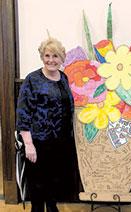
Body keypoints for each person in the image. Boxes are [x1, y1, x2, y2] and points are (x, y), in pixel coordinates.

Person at [16, 37, 75, 212]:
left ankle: (52, 207)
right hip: (39, 142)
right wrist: (28, 144)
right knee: (38, 184)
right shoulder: (33, 79)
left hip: (60, 141)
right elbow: (23, 113)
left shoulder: (63, 78)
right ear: (42, 57)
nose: (51, 60)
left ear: (62, 58)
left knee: (54, 180)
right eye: (47, 55)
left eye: (55, 56)